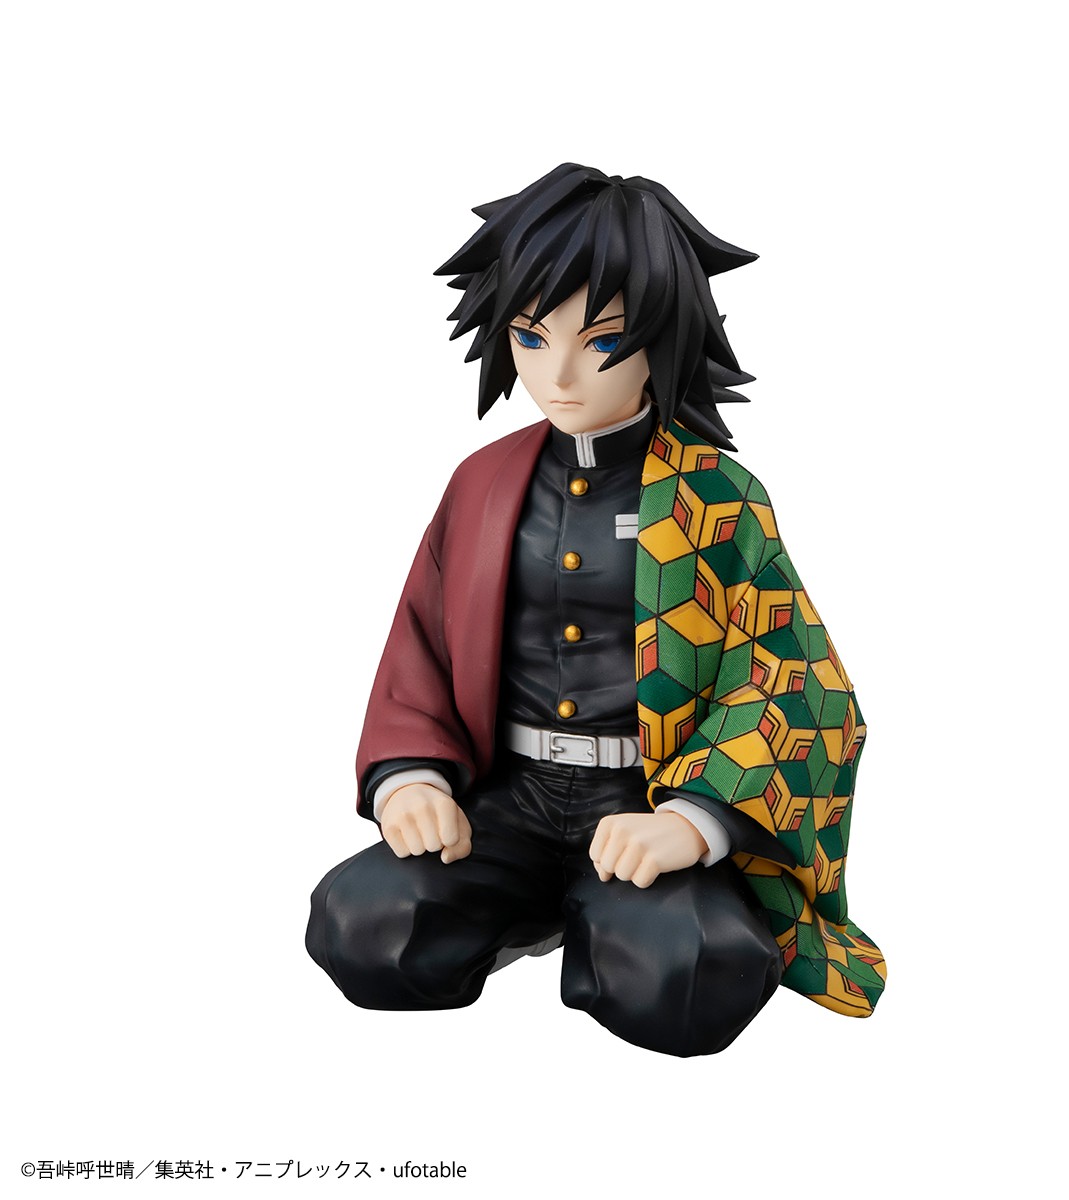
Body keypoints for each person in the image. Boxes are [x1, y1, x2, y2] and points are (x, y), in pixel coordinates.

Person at [305, 164, 885, 1056]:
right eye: (532, 338)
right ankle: (538, 913)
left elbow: (795, 681)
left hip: (645, 797)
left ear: (663, 333)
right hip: (506, 799)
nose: (561, 374)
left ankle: (605, 925)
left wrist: (692, 822)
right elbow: (420, 645)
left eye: (603, 339)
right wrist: (411, 777)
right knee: (364, 928)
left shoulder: (717, 497)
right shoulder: (482, 483)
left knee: (691, 975)